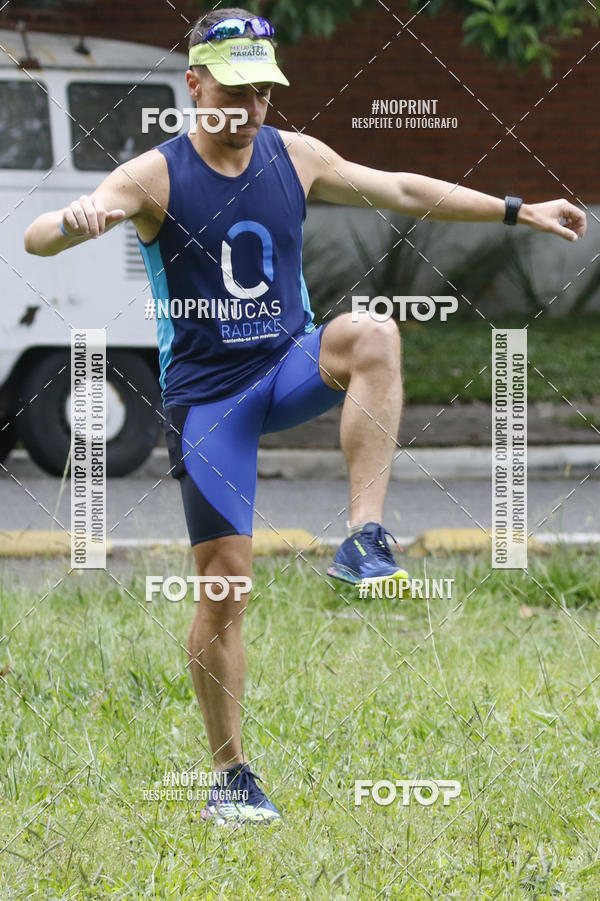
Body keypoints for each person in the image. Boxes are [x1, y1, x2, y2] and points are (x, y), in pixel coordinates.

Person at [24, 8, 587, 825]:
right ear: (195, 84)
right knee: (224, 590)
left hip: (288, 365)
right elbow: (44, 233)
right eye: (235, 89)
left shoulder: (297, 154)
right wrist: (67, 225)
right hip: (209, 398)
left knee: (373, 333)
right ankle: (232, 775)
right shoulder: (154, 174)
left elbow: (399, 189)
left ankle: (363, 540)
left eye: (264, 91)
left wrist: (516, 208)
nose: (251, 108)